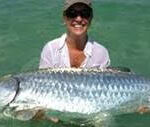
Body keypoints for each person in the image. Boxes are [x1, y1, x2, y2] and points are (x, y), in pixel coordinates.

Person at [39, 0, 110, 69]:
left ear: (90, 18)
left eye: (84, 13)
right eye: (72, 13)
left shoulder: (101, 53)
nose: (79, 19)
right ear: (64, 17)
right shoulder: (50, 49)